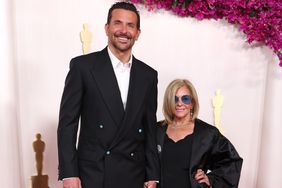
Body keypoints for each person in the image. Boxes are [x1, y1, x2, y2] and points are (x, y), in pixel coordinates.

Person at [57, 2, 159, 188]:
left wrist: (152, 175)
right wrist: (69, 173)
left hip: (133, 174)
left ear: (137, 33)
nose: (123, 30)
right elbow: (67, 123)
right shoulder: (83, 67)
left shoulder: (148, 75)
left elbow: (149, 128)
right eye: (117, 23)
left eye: (130, 25)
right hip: (93, 174)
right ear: (107, 28)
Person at [156, 79, 243, 188]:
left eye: (185, 99)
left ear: (192, 103)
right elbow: (140, 160)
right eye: (175, 99)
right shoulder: (156, 130)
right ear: (168, 101)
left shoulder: (207, 133)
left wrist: (211, 179)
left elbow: (231, 162)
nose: (179, 103)